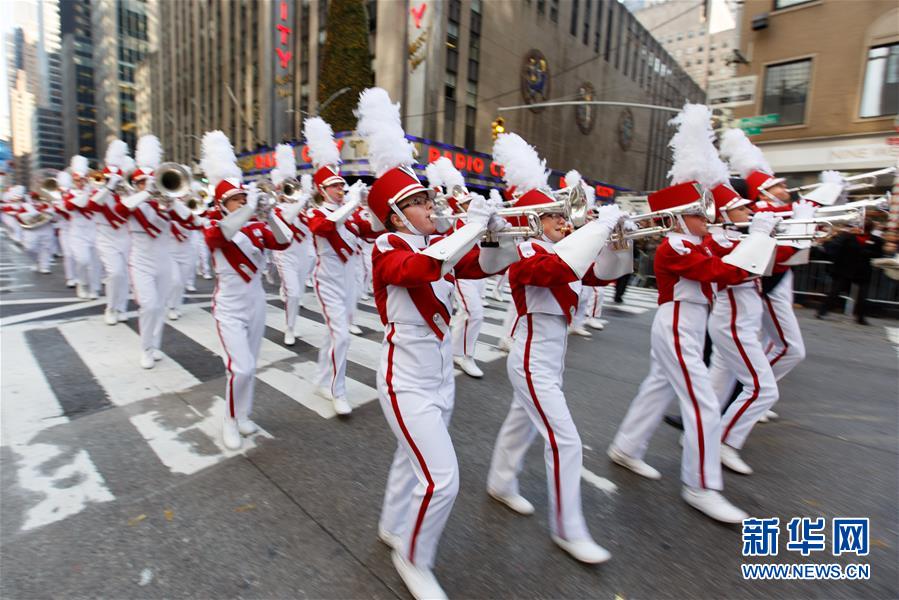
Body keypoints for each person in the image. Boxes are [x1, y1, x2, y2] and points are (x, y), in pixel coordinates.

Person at [357, 87, 517, 600]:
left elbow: (484, 267)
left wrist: (497, 234)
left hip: (438, 374)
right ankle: (413, 557)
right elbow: (418, 269)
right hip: (404, 380)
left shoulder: (437, 243)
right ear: (396, 214)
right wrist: (467, 230)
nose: (432, 205)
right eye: (419, 201)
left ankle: (391, 526)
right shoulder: (388, 245)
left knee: (412, 461)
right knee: (443, 479)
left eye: (427, 197)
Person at [609, 105, 779, 524]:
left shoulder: (697, 241)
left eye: (706, 213)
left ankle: (627, 447)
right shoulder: (677, 246)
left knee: (657, 387)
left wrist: (755, 235)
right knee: (703, 405)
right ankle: (701, 487)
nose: (708, 219)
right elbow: (721, 271)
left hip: (687, 323)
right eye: (699, 214)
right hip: (679, 324)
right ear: (680, 219)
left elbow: (726, 254)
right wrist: (753, 240)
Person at [486, 132, 630, 564]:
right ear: (533, 219)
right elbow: (555, 268)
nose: (564, 221)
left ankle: (500, 479)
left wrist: (619, 236)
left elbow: (605, 274)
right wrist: (598, 227)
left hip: (550, 353)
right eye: (554, 215)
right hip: (531, 355)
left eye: (561, 215)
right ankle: (569, 529)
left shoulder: (561, 246)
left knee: (522, 422)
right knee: (565, 441)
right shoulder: (524, 249)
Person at [200, 130, 293, 450]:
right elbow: (220, 238)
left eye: (243, 198)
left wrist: (270, 215)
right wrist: (247, 209)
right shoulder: (213, 225)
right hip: (228, 305)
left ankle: (243, 415)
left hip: (255, 301)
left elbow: (283, 240)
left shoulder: (255, 226)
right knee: (239, 367)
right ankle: (228, 419)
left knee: (250, 364)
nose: (243, 203)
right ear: (222, 204)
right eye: (237, 199)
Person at [304, 116, 377, 415]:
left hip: (349, 279)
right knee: (342, 335)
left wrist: (370, 205)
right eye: (334, 186)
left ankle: (322, 380)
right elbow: (325, 228)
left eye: (340, 185)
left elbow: (374, 231)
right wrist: (351, 205)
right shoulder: (314, 213)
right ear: (323, 190)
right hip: (328, 280)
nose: (339, 189)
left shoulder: (351, 213)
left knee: (335, 334)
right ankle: (337, 390)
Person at [721, 129, 807, 384]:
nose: (785, 189)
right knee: (784, 349)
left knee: (740, 356)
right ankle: (751, 394)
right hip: (759, 285)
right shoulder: (761, 211)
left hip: (769, 285)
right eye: (777, 186)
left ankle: (746, 397)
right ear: (763, 192)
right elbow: (778, 254)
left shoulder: (779, 210)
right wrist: (808, 216)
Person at [269, 145, 315, 345]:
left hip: (303, 254)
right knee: (294, 293)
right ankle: (289, 329)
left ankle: (292, 321)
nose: (289, 192)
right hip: (285, 255)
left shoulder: (303, 210)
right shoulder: (278, 209)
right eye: (286, 189)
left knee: (297, 293)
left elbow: (311, 229)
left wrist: (309, 203)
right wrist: (302, 199)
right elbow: (287, 218)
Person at [90, 140, 133, 325]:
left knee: (124, 275)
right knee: (115, 273)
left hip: (125, 237)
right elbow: (92, 205)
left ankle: (121, 307)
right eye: (109, 178)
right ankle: (111, 308)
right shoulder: (99, 192)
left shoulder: (125, 193)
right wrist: (108, 186)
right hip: (106, 238)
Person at [817, 219, 884, 325]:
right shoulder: (847, 237)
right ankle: (822, 312)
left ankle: (860, 317)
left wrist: (865, 252)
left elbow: (878, 254)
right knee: (835, 292)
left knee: (862, 295)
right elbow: (835, 248)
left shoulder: (876, 240)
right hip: (844, 268)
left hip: (862, 270)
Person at [62, 156, 102, 300]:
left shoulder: (94, 190)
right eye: (77, 180)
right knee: (83, 260)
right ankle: (82, 283)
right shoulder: (69, 194)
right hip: (77, 232)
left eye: (82, 179)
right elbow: (69, 206)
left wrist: (95, 188)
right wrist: (87, 193)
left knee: (95, 263)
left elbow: (100, 204)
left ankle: (94, 288)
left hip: (94, 230)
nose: (80, 182)